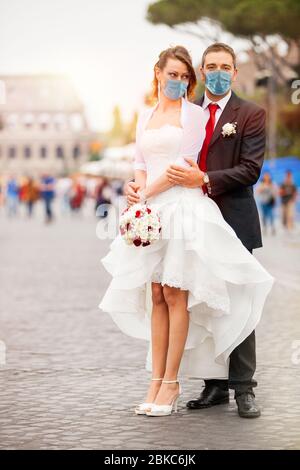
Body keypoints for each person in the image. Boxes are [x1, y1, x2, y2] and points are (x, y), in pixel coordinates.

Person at [99, 45, 274, 418]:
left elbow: (248, 169)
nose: (217, 73)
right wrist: (135, 189)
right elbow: (142, 161)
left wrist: (200, 179)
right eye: (210, 67)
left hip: (221, 212)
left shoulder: (248, 113)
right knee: (174, 297)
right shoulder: (175, 109)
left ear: (235, 72)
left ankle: (243, 387)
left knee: (229, 296)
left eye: (224, 67)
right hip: (169, 208)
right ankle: (211, 385)